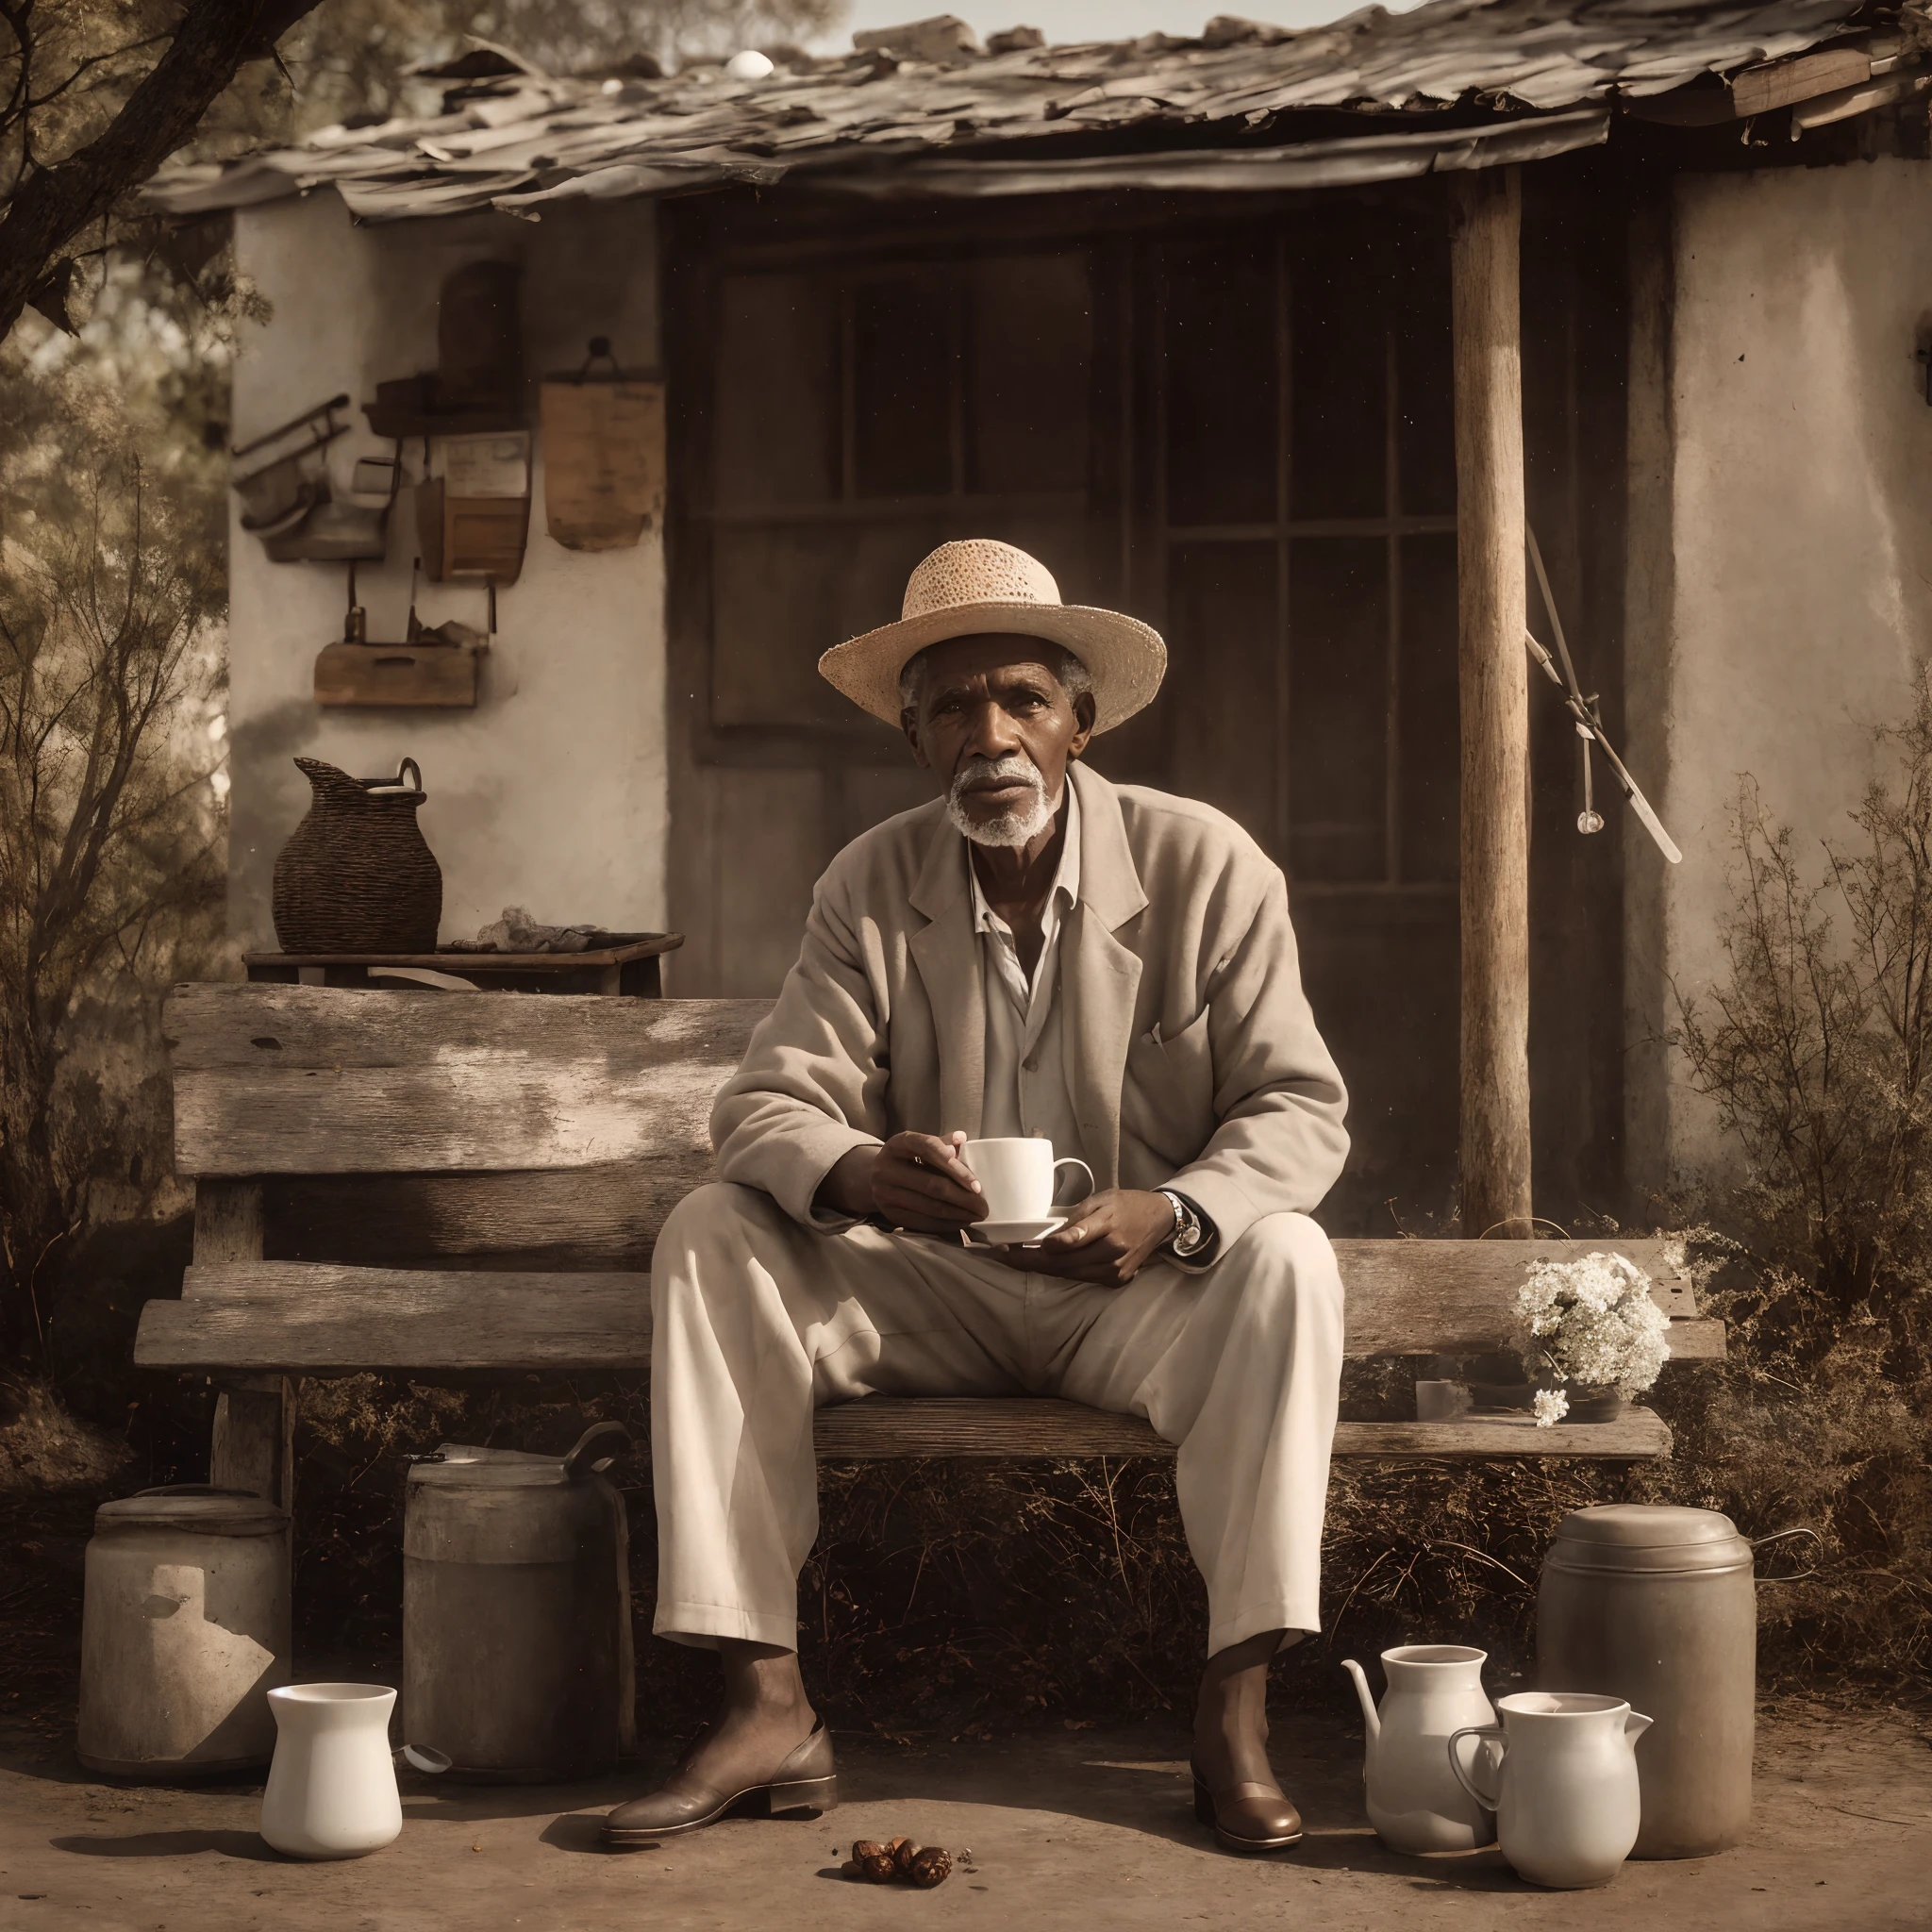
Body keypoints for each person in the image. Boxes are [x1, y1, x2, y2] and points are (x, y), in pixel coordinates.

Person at [605, 539, 1349, 1855]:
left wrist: (1167, 1214)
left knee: (1287, 1260)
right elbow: (763, 1108)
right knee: (714, 1228)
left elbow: (1299, 1109)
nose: (989, 735)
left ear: (1082, 720)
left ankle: (1234, 1712)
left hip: (1130, 1301)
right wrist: (853, 1169)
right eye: (953, 705)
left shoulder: (1206, 868)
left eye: (1022, 699)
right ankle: (767, 1704)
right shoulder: (869, 884)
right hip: (929, 1293)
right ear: (912, 734)